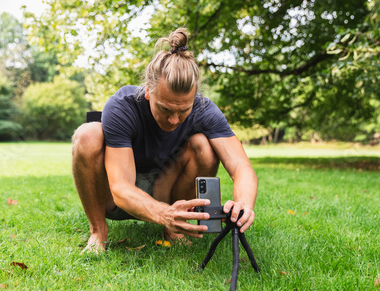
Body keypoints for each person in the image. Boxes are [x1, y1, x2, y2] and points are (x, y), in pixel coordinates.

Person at [72, 28, 258, 253]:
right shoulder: (122, 105)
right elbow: (121, 187)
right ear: (148, 91)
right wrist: (163, 214)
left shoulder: (204, 109)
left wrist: (244, 205)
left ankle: (175, 229)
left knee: (203, 145)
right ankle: (98, 232)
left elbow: (241, 166)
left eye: (183, 110)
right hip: (116, 197)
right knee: (87, 135)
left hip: (166, 189)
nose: (173, 119)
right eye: (165, 108)